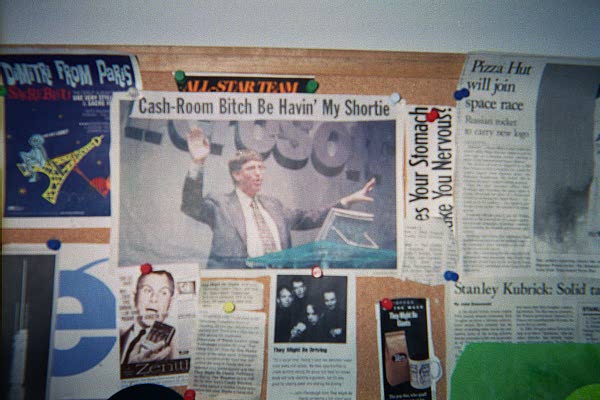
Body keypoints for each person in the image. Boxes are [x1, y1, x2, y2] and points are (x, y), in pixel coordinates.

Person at [181, 127, 376, 268]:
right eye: (251, 168)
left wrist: (347, 201)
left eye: (261, 168)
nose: (259, 173)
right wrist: (198, 162)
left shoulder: (273, 205)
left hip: (277, 283)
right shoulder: (220, 204)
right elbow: (191, 205)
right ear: (236, 174)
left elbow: (309, 217)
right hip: (239, 284)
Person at [119, 270, 176, 365]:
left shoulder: (173, 352)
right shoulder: (118, 337)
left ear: (170, 302)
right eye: (147, 290)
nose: (154, 299)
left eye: (163, 293)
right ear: (135, 297)